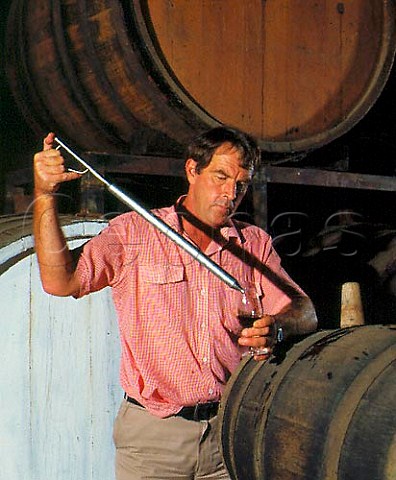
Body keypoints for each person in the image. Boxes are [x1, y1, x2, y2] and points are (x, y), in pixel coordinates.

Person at [33, 126, 317, 480]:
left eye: (241, 184)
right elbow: (60, 281)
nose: (230, 193)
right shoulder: (134, 233)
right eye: (221, 176)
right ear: (192, 171)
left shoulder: (252, 244)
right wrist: (45, 195)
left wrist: (276, 328)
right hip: (154, 439)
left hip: (230, 431)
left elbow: (304, 311)